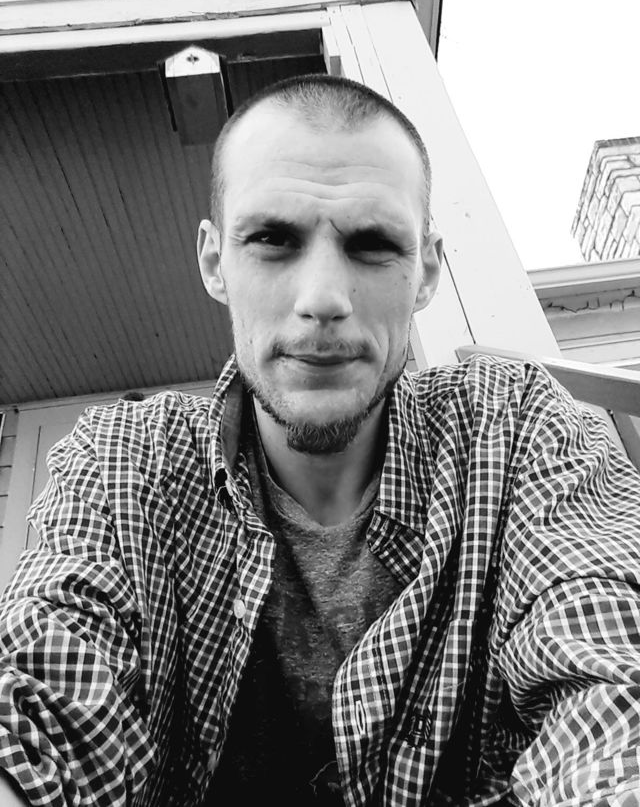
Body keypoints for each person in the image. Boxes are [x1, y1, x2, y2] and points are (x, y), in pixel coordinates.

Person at [1, 74, 640, 807]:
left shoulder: (516, 427)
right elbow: (42, 691)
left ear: (427, 271)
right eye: (272, 239)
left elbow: (611, 672)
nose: (323, 299)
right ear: (214, 261)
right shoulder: (124, 459)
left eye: (374, 244)